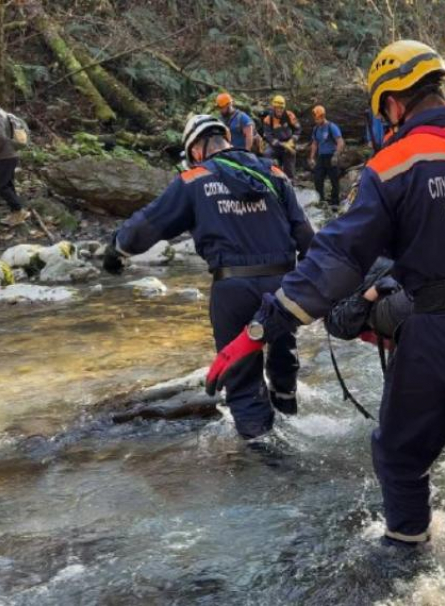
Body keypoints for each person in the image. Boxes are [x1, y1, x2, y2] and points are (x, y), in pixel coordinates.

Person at [206, 40, 445, 583]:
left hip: (439, 340)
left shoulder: (395, 165)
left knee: (400, 455)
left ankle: (406, 568)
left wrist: (262, 327)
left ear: (393, 104)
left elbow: (336, 262)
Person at [104, 115, 313, 440]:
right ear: (224, 139)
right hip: (283, 287)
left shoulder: (193, 180)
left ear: (197, 150)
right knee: (284, 355)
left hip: (233, 290)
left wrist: (116, 250)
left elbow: (146, 225)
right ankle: (289, 412)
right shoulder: (274, 172)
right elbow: (305, 234)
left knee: (243, 381)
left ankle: (267, 458)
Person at [308, 105, 344, 208]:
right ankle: (321, 199)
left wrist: (336, 155)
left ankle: (335, 201)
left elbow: (340, 142)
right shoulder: (316, 129)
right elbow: (315, 143)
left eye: (317, 118)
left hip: (331, 156)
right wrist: (311, 158)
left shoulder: (331, 127)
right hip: (321, 157)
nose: (316, 121)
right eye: (315, 119)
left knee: (334, 179)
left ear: (323, 116)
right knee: (318, 179)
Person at [0, 108, 29, 226]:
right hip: (9, 155)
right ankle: (16, 213)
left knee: (2, 185)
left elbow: (0, 137)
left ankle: (19, 211)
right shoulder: (2, 114)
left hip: (4, 156)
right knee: (8, 184)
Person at [263, 95, 301, 180]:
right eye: (277, 108)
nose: (279, 110)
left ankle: (290, 182)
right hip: (276, 145)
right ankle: (272, 178)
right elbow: (269, 138)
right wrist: (282, 144)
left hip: (289, 143)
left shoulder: (289, 115)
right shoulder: (268, 119)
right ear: (274, 107)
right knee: (267, 154)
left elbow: (298, 130)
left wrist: (292, 140)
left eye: (281, 108)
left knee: (289, 167)